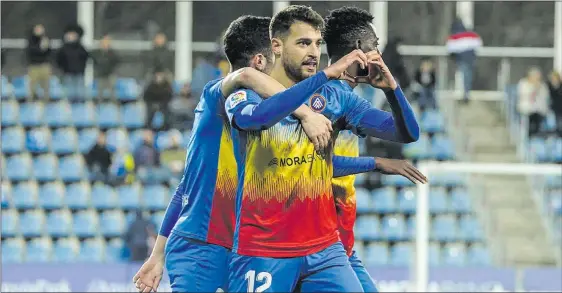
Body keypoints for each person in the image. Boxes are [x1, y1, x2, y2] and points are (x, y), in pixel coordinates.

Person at [132, 15, 337, 293]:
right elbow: (244, 76)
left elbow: (186, 188)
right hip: (204, 247)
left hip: (243, 248)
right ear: (260, 61)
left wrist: (157, 255)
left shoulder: (260, 117)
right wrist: (305, 112)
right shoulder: (218, 95)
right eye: (276, 55)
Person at [225, 5, 419, 292]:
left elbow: (406, 133)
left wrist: (391, 90)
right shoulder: (246, 92)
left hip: (325, 249)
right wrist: (324, 79)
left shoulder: (337, 98)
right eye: (303, 43)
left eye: (317, 43)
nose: (314, 52)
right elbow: (256, 119)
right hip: (264, 249)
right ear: (276, 46)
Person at [323, 7, 427, 292]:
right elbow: (310, 164)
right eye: (374, 47)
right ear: (359, 49)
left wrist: (391, 89)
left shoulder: (349, 100)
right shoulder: (327, 97)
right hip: (317, 243)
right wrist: (376, 162)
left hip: (341, 243)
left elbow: (408, 133)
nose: (378, 54)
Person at [446, 18, 482, 103]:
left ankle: (463, 94)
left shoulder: (454, 36)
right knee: (467, 76)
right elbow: (479, 44)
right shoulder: (471, 34)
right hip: (470, 57)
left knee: (463, 75)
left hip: (461, 58)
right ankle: (466, 94)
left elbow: (449, 48)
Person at [56, 24, 90, 100]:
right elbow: (59, 60)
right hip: (67, 74)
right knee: (69, 94)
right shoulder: (63, 49)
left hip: (79, 74)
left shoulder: (81, 48)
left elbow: (86, 57)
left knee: (80, 94)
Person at [517, 67, 550, 137]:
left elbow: (545, 96)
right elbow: (523, 95)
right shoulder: (523, 83)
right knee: (530, 120)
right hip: (527, 109)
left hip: (539, 110)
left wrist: (538, 87)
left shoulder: (542, 85)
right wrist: (534, 88)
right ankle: (529, 135)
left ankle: (536, 135)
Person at [26, 24, 52, 101]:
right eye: (38, 29)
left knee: (46, 85)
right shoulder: (31, 40)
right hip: (34, 66)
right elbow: (31, 52)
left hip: (44, 65)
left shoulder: (45, 40)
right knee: (33, 85)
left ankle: (46, 100)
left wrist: (46, 47)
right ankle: (32, 99)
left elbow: (48, 53)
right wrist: (41, 48)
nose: (39, 31)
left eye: (41, 29)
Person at [547, 71, 562, 137]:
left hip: (560, 108)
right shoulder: (548, 86)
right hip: (551, 108)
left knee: (559, 123)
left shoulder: (560, 86)